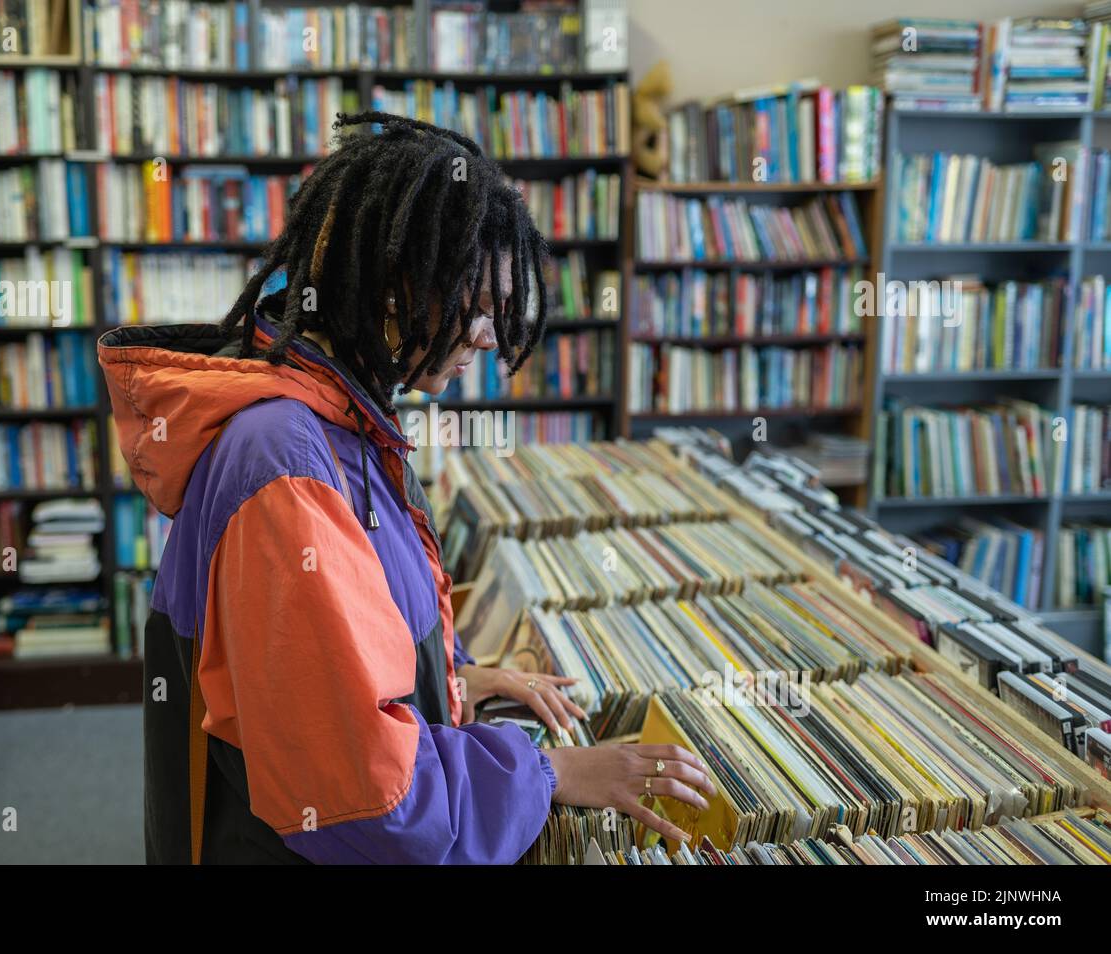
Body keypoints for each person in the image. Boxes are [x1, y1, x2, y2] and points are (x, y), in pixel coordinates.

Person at [98, 111, 714, 864]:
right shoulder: (285, 465)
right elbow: (367, 800)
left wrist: (448, 684)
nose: (491, 338)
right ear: (396, 289)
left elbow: (338, 660)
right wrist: (548, 770)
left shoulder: (346, 414)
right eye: (479, 307)